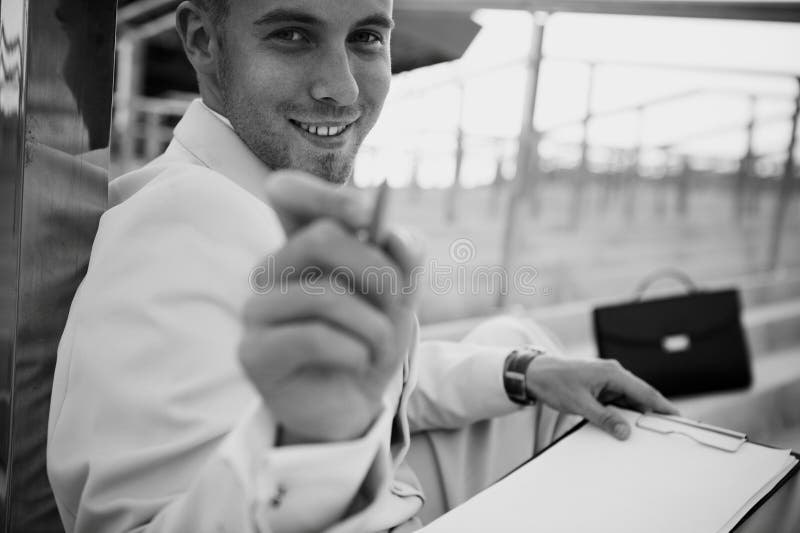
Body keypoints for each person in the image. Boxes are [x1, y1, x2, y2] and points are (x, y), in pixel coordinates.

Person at [46, 1, 677, 531]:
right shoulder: (180, 220)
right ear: (204, 41)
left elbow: (361, 376)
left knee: (519, 342)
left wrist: (521, 375)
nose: (342, 88)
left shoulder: (258, 191)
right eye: (293, 35)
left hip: (381, 485)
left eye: (367, 38)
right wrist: (315, 443)